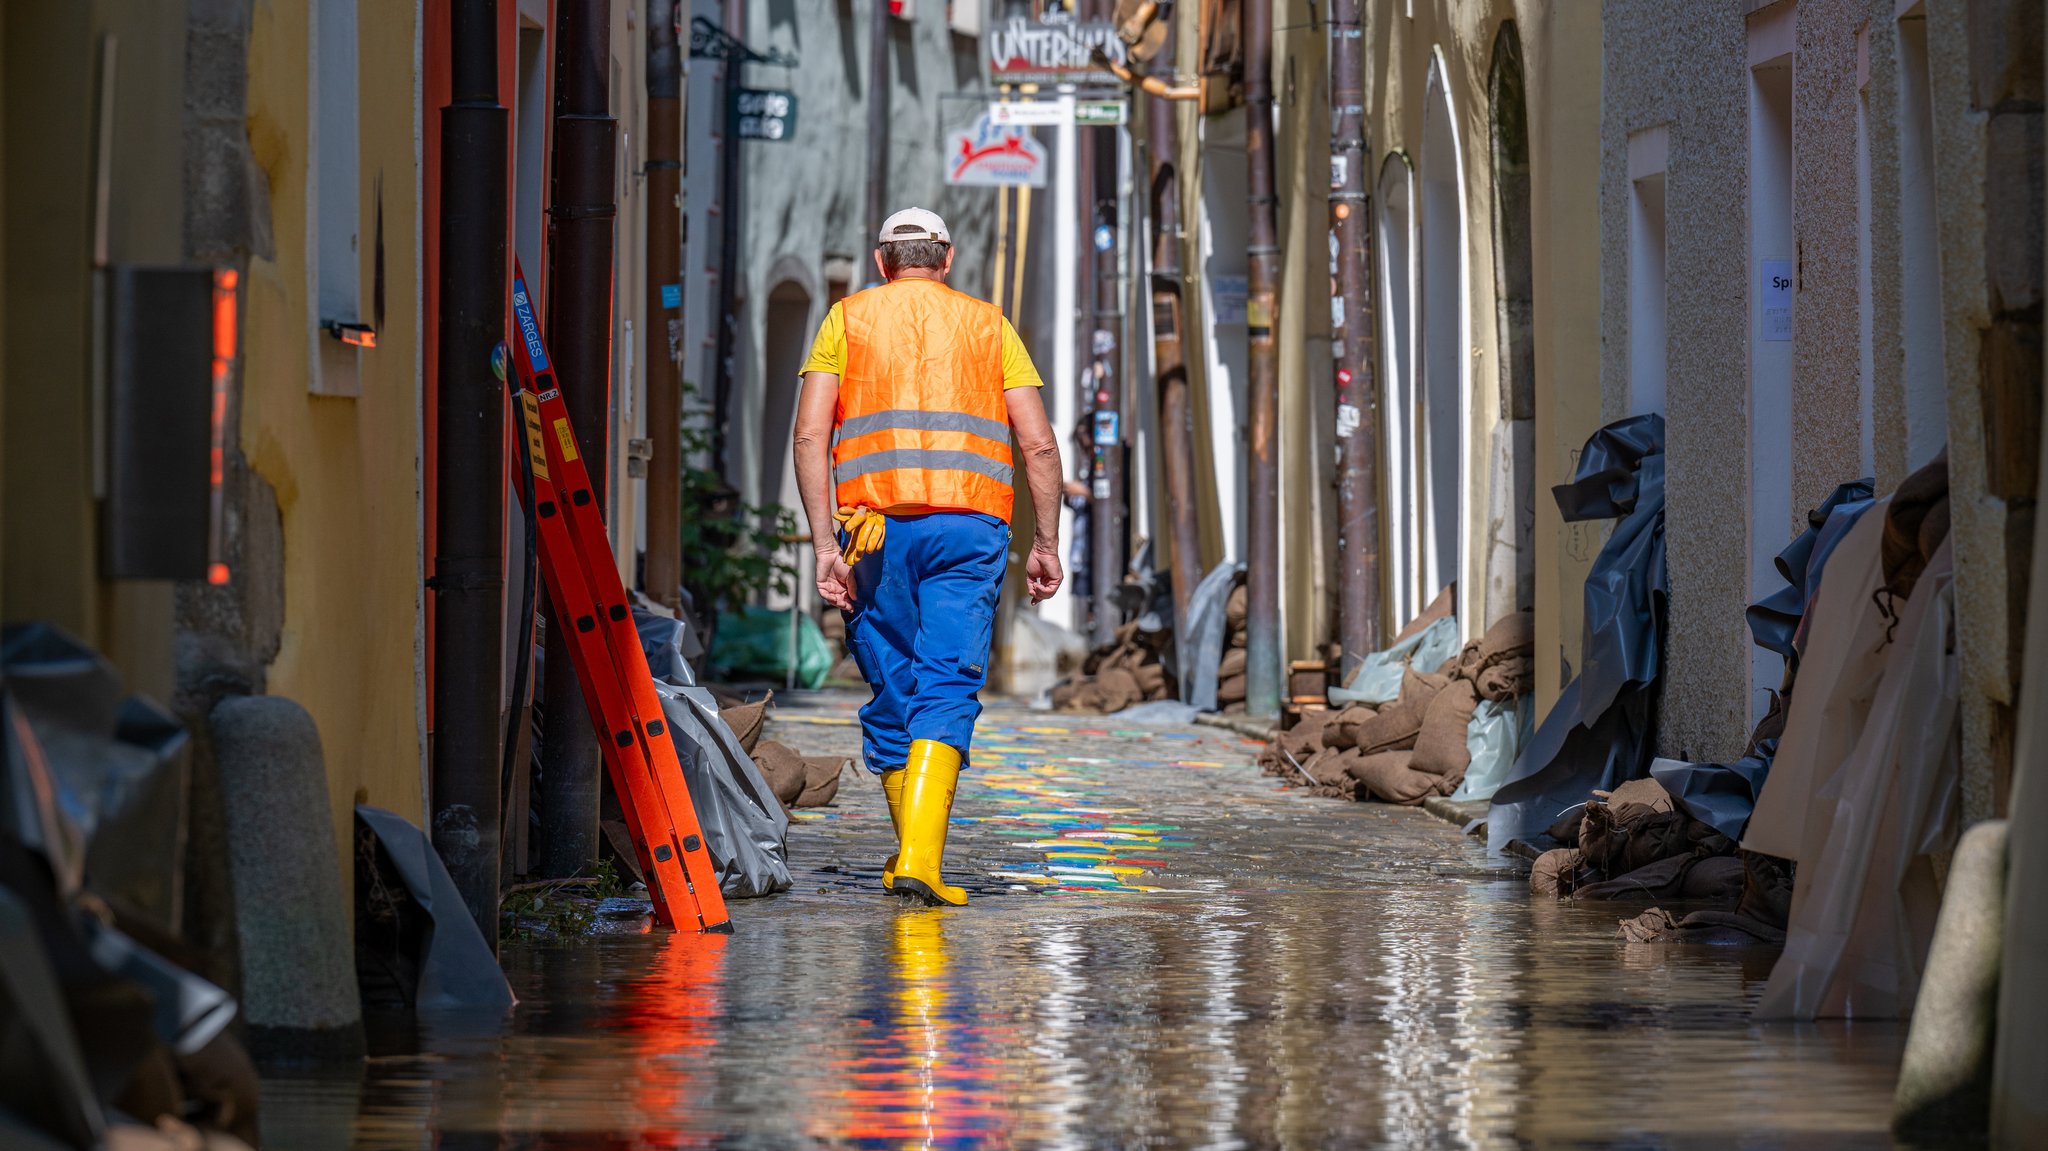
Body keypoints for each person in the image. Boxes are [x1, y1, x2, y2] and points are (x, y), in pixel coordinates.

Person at [791, 207, 1066, 906]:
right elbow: (1036, 442)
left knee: (893, 689)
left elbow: (808, 435)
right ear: (946, 258)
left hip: (874, 532)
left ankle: (915, 853)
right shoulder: (990, 325)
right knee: (946, 684)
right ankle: (918, 856)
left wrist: (825, 546)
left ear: (883, 262)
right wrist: (1046, 542)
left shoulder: (845, 321)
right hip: (968, 532)